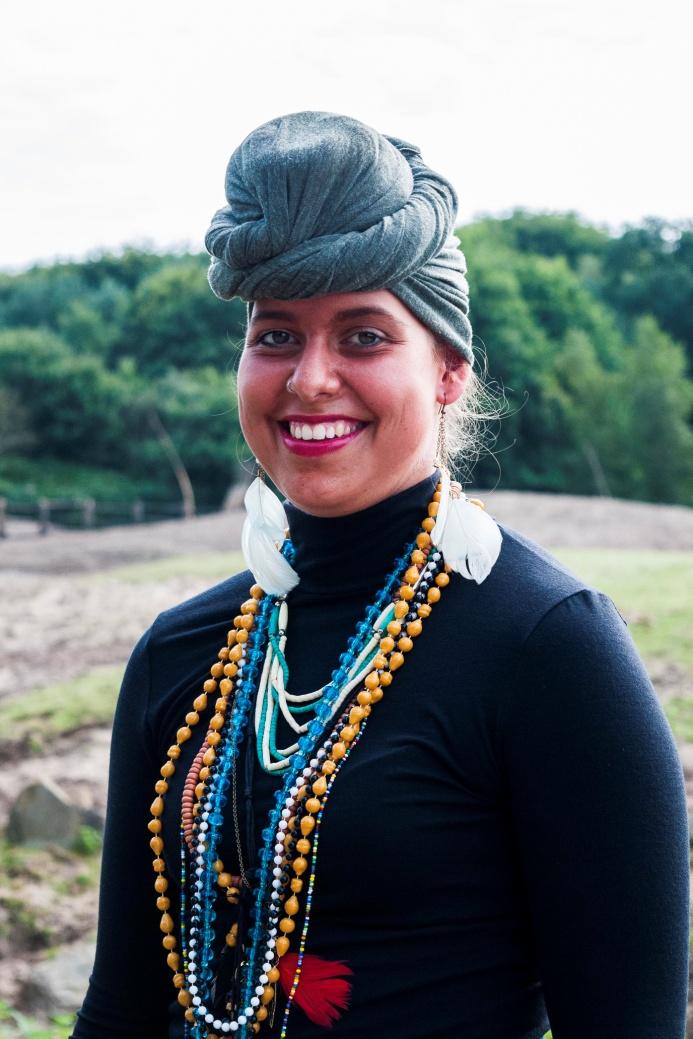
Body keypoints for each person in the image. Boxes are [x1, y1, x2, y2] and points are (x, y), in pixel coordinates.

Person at [71, 112, 689, 1039]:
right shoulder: (179, 654)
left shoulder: (548, 646)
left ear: (446, 368)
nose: (309, 378)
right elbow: (121, 1008)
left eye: (362, 336)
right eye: (276, 335)